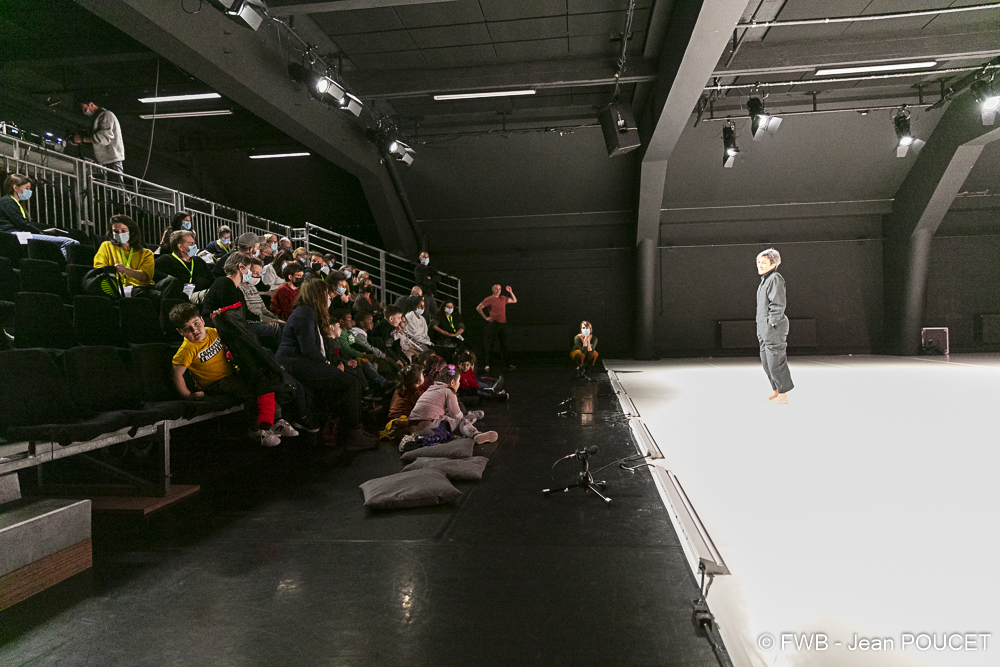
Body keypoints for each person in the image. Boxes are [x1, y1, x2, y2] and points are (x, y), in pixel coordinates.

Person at [169, 303, 295, 447]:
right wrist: (188, 395)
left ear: (202, 321)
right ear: (180, 332)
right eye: (187, 329)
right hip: (215, 383)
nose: (195, 330)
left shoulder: (212, 332)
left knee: (264, 380)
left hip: (231, 373)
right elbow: (177, 375)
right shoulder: (186, 350)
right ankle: (256, 430)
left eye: (196, 324)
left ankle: (276, 421)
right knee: (250, 391)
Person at [275, 278, 377, 451]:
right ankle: (351, 435)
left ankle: (351, 430)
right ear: (317, 295)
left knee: (351, 378)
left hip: (301, 362)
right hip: (295, 364)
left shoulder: (307, 312)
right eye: (326, 293)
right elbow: (308, 350)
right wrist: (327, 364)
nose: (329, 296)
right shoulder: (304, 313)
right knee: (351, 383)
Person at [202, 252, 280, 350]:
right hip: (218, 326)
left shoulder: (234, 288)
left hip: (232, 325)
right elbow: (234, 316)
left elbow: (246, 313)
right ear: (240, 267)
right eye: (248, 268)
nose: (250, 273)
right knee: (273, 330)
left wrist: (267, 320)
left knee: (276, 326)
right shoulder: (224, 283)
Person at [408, 364, 498, 445]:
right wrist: (463, 417)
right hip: (429, 427)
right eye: (459, 381)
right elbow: (456, 415)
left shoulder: (431, 388)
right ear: (452, 383)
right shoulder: (448, 391)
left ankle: (472, 416)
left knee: (446, 419)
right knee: (461, 421)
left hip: (412, 428)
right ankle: (475, 434)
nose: (459, 384)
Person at [0, 173, 80, 257]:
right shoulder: (7, 202)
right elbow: (22, 224)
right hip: (13, 235)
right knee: (68, 242)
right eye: (27, 188)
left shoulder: (14, 202)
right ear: (15, 188)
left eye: (30, 188)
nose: (29, 191)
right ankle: (64, 268)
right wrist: (41, 233)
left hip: (19, 234)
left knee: (74, 242)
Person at [756, 248, 794, 404]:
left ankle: (783, 395)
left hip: (774, 328)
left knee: (775, 362)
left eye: (764, 263)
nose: (760, 265)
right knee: (766, 362)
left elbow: (777, 303)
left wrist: (772, 322)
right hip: (763, 327)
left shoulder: (775, 278)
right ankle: (776, 391)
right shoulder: (765, 280)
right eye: (758, 262)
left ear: (773, 264)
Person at [94, 214, 161, 298]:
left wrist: (126, 270)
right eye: (116, 231)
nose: (120, 234)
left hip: (139, 288)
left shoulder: (146, 253)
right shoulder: (106, 246)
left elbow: (146, 276)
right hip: (116, 288)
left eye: (123, 231)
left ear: (131, 231)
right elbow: (99, 267)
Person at [70, 98, 125, 186]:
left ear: (91, 104)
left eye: (85, 108)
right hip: (104, 160)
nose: (84, 112)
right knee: (110, 189)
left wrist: (83, 139)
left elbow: (104, 138)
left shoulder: (106, 115)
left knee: (117, 189)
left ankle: (124, 200)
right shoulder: (97, 117)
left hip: (112, 159)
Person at [153, 230, 213, 302]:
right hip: (183, 297)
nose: (194, 246)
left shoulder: (198, 261)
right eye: (191, 243)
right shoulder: (165, 260)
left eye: (194, 243)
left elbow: (213, 280)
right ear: (180, 247)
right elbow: (153, 274)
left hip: (202, 294)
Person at [477, 284, 517, 373]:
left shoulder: (503, 298)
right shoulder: (489, 299)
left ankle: (507, 364)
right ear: (492, 290)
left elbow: (515, 300)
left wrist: (510, 291)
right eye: (496, 289)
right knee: (490, 344)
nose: (498, 290)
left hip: (502, 324)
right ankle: (488, 364)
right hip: (494, 324)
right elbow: (478, 308)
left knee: (504, 345)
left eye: (499, 289)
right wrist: (486, 317)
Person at [414, 251, 438, 318]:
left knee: (436, 313)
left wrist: (430, 278)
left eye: (427, 257)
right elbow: (421, 280)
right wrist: (430, 280)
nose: (426, 258)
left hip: (430, 294)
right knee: (425, 314)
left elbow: (438, 278)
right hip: (423, 294)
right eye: (424, 257)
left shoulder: (430, 269)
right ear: (420, 258)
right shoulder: (418, 269)